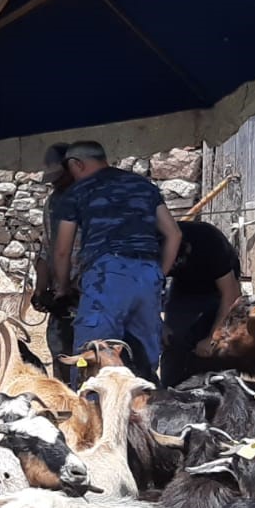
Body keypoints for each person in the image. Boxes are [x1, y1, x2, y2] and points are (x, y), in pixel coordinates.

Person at [52, 141, 181, 383]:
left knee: (92, 358)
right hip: (148, 275)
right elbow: (174, 234)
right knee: (143, 365)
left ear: (76, 164)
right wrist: (158, 274)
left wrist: (62, 288)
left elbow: (61, 250)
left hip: (106, 277)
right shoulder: (143, 186)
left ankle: (90, 404)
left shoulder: (78, 192)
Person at [160, 220, 243, 385]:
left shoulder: (209, 242)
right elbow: (146, 292)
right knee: (173, 341)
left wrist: (213, 337)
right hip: (183, 287)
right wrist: (160, 326)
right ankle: (171, 388)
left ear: (187, 249)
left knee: (219, 346)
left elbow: (231, 295)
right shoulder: (152, 247)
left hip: (218, 288)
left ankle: (225, 386)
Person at [32, 143, 80, 381]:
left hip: (85, 295)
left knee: (84, 359)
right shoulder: (52, 203)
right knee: (60, 352)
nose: (55, 183)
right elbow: (47, 248)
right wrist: (40, 289)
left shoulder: (89, 200)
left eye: (59, 177)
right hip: (61, 299)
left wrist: (68, 288)